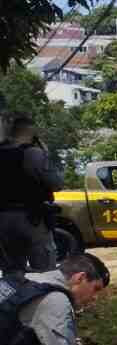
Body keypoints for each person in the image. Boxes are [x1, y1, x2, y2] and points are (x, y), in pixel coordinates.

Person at [1, 114, 65, 278]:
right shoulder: (33, 153)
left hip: (3, 220)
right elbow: (57, 183)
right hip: (32, 219)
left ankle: (15, 302)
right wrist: (46, 154)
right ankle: (47, 301)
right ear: (32, 133)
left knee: (12, 273)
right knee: (45, 271)